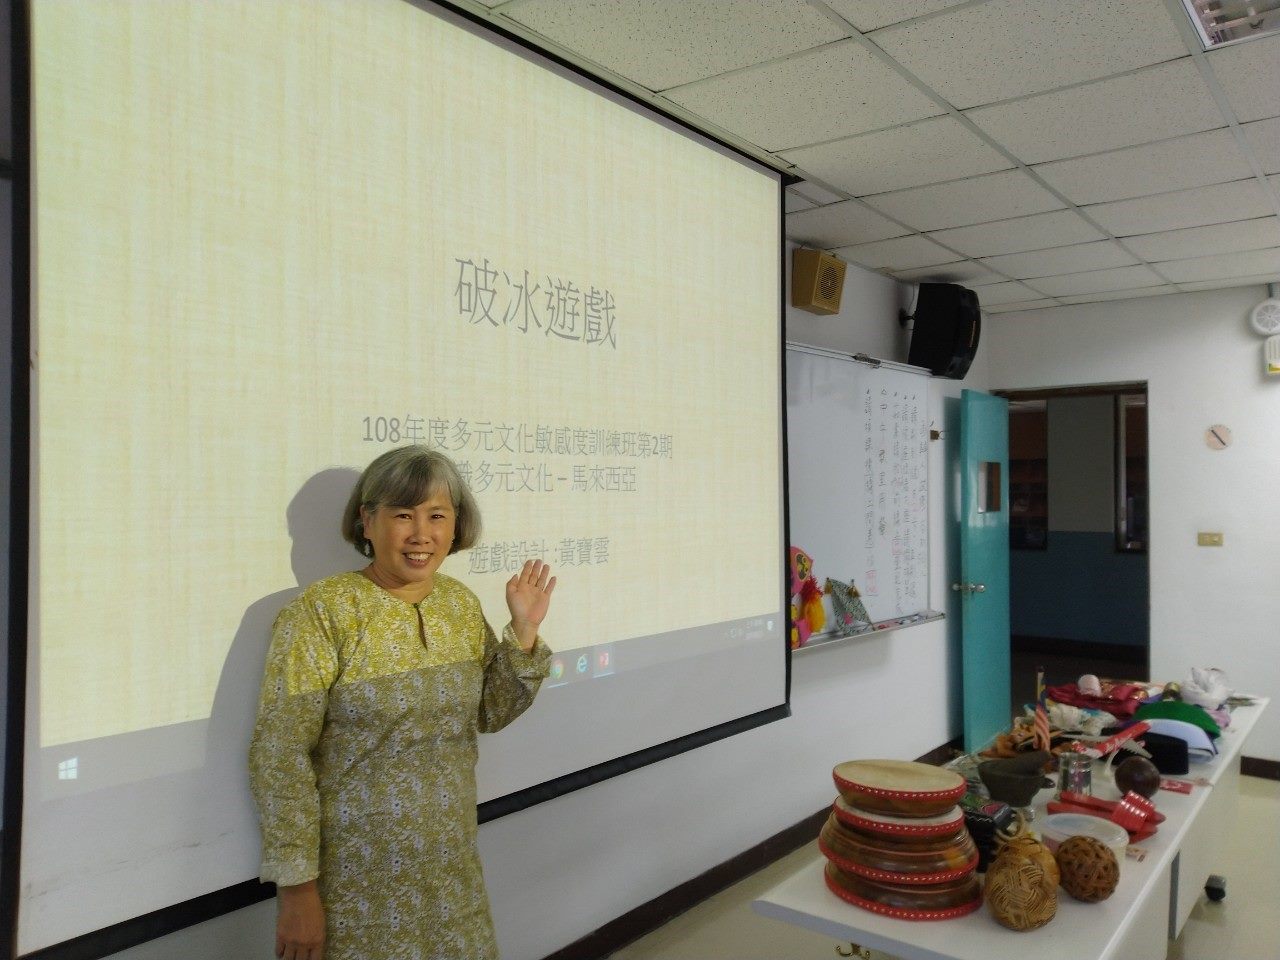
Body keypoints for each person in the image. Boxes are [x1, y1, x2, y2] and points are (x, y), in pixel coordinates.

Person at [249, 446, 555, 960]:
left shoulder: (459, 604)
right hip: (356, 882)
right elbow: (280, 755)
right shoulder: (322, 612)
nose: (421, 534)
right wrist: (297, 891)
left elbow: (489, 713)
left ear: (456, 526)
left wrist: (523, 631)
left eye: (437, 515)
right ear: (367, 522)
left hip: (450, 867)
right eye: (402, 515)